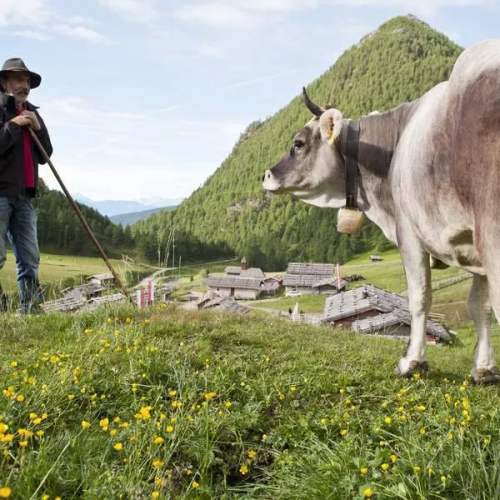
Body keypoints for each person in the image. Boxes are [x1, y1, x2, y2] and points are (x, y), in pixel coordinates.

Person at [0, 58, 52, 313]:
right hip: (0, 194)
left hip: (25, 197)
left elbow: (45, 155)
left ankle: (31, 311)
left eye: (27, 81)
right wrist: (13, 125)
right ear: (4, 82)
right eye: (19, 79)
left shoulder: (32, 112)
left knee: (30, 258)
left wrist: (37, 127)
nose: (24, 85)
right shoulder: (2, 110)